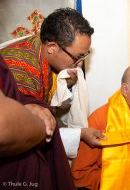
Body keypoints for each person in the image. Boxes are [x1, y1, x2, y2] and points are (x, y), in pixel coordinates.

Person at [0, 7, 104, 157]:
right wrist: (80, 134)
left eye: (84, 57)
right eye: (77, 57)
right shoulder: (21, 69)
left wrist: (66, 85)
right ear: (52, 48)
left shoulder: (44, 54)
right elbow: (27, 130)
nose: (80, 64)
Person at [0, 55, 76, 190]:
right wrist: (44, 126)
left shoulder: (51, 68)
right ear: (53, 47)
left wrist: (26, 105)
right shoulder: (23, 66)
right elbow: (4, 125)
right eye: (77, 57)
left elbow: (10, 96)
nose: (77, 65)